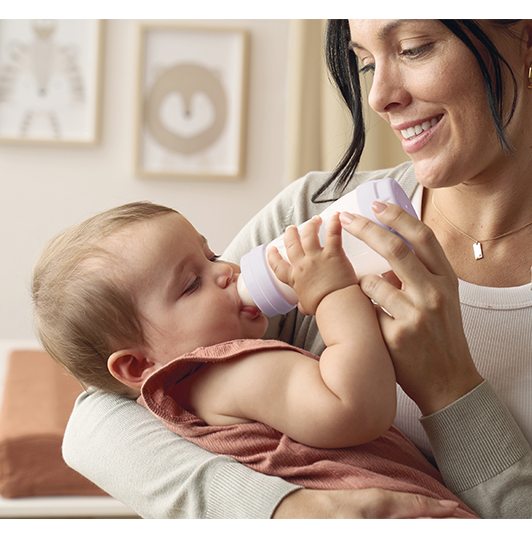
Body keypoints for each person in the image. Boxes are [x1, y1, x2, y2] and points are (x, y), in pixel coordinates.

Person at [61, 20, 532, 518]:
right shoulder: (314, 217)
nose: (379, 97)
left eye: (413, 48)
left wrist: (451, 390)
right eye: (367, 63)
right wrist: (287, 511)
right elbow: (101, 415)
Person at [32, 202, 477, 518]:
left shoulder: (191, 393)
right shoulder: (229, 371)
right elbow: (356, 408)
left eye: (211, 256)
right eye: (192, 284)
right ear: (137, 366)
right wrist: (334, 292)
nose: (226, 271)